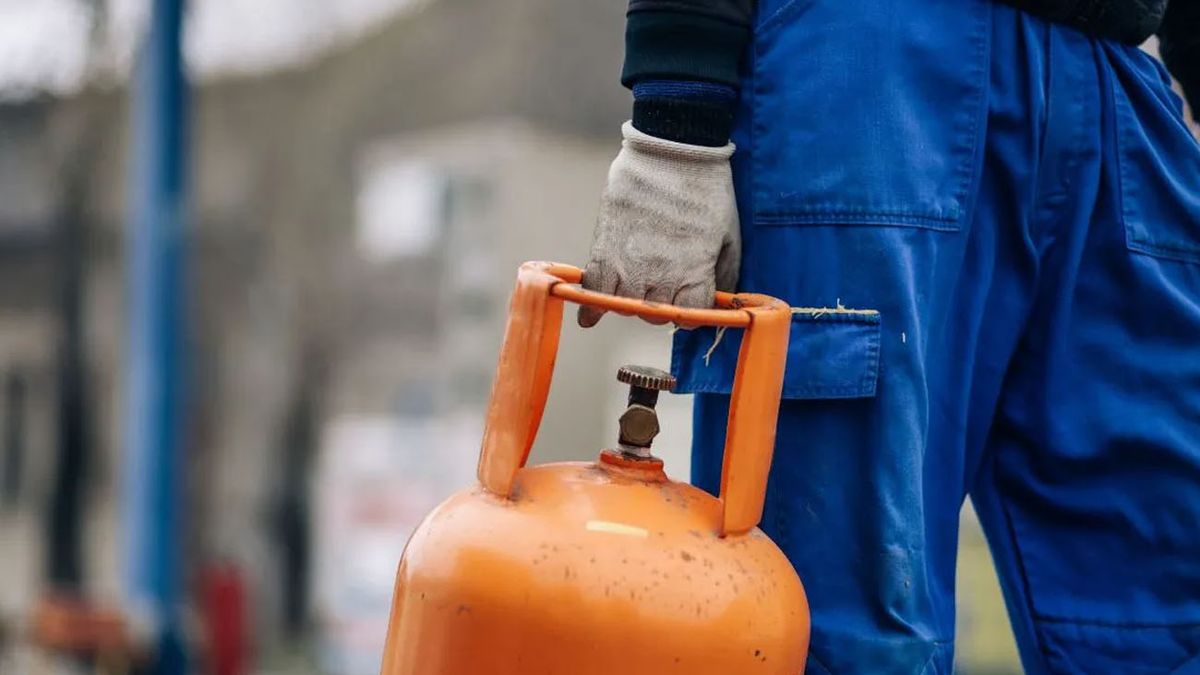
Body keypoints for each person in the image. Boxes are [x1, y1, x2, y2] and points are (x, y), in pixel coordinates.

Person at [580, 0, 1200, 672]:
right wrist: (676, 122)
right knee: (835, 627)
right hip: (871, 70)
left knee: (1166, 620)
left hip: (1120, 82)